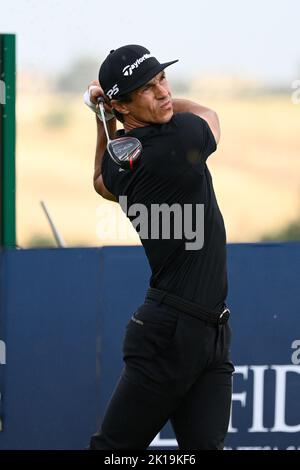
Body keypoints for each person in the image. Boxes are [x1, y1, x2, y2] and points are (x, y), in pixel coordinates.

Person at [85, 44, 234, 450]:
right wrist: (106, 111)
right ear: (123, 104)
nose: (165, 92)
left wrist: (103, 120)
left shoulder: (125, 161)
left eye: (162, 79)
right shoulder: (176, 142)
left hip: (208, 332)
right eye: (147, 88)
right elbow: (210, 115)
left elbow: (101, 182)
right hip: (171, 333)